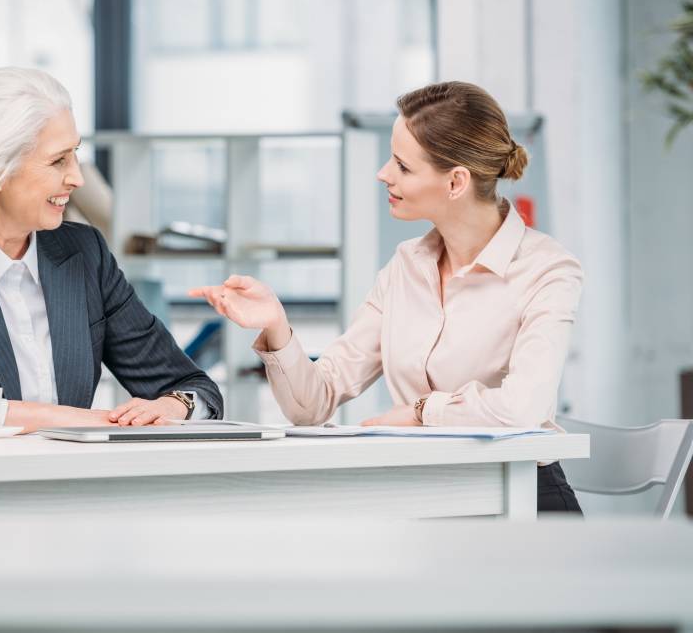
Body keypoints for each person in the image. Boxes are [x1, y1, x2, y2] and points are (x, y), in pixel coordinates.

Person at [190, 81, 583, 513]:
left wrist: (421, 413)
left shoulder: (547, 270)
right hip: (425, 498)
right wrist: (276, 326)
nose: (384, 174)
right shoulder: (405, 267)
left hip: (523, 500)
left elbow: (521, 411)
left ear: (456, 182)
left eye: (402, 165)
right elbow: (314, 403)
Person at [0, 67, 222, 435]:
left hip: (67, 485)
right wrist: (56, 417)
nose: (77, 178)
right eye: (58, 160)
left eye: (75, 155)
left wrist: (173, 405)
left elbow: (196, 387)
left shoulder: (85, 253)